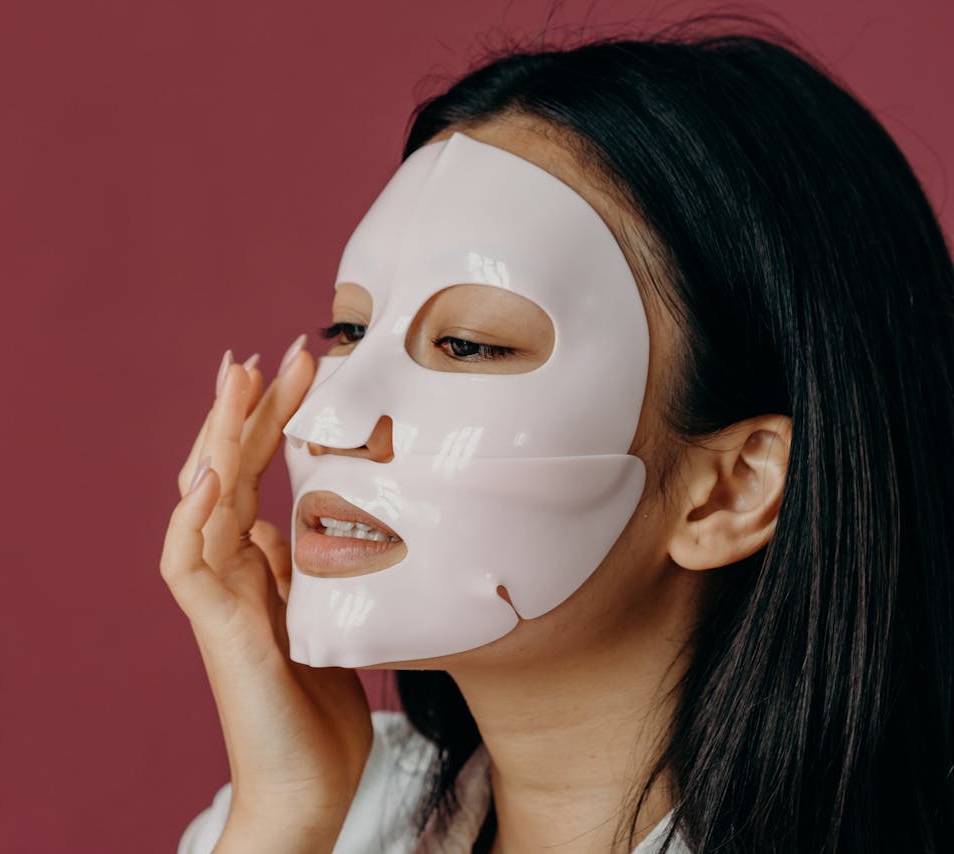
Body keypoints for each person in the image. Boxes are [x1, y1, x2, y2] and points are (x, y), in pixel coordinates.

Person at [160, 20, 954, 854]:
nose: (324, 420)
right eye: (349, 330)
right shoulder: (314, 817)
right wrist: (285, 815)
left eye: (469, 344)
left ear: (729, 488)